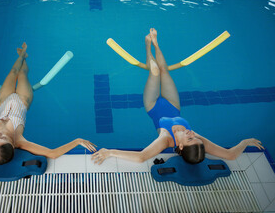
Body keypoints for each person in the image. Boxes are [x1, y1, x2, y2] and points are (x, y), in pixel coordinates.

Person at [92, 28, 263, 165]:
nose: (192, 134)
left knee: (155, 72)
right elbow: (231, 155)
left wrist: (109, 152)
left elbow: (141, 157)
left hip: (153, 106)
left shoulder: (166, 140)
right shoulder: (197, 141)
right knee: (164, 70)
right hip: (173, 105)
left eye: (189, 138)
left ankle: (147, 45)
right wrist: (245, 141)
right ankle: (155, 43)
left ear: (180, 146)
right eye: (195, 137)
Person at [0, 42, 96, 165]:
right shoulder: (20, 141)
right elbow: (53, 153)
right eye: (4, 138)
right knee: (22, 73)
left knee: (12, 72)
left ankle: (21, 56)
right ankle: (24, 58)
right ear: (12, 145)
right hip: (23, 99)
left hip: (3, 100)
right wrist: (78, 141)